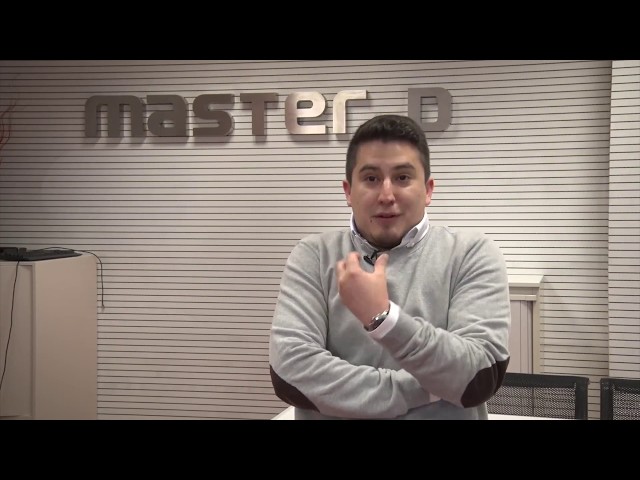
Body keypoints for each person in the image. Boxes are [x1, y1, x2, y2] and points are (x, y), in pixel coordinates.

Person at [268, 114, 511, 419]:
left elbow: (477, 377)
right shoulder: (313, 256)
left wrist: (383, 319)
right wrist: (428, 388)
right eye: (371, 178)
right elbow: (290, 374)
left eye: (402, 178)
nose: (386, 195)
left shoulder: (471, 253)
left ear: (428, 190)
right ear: (348, 191)